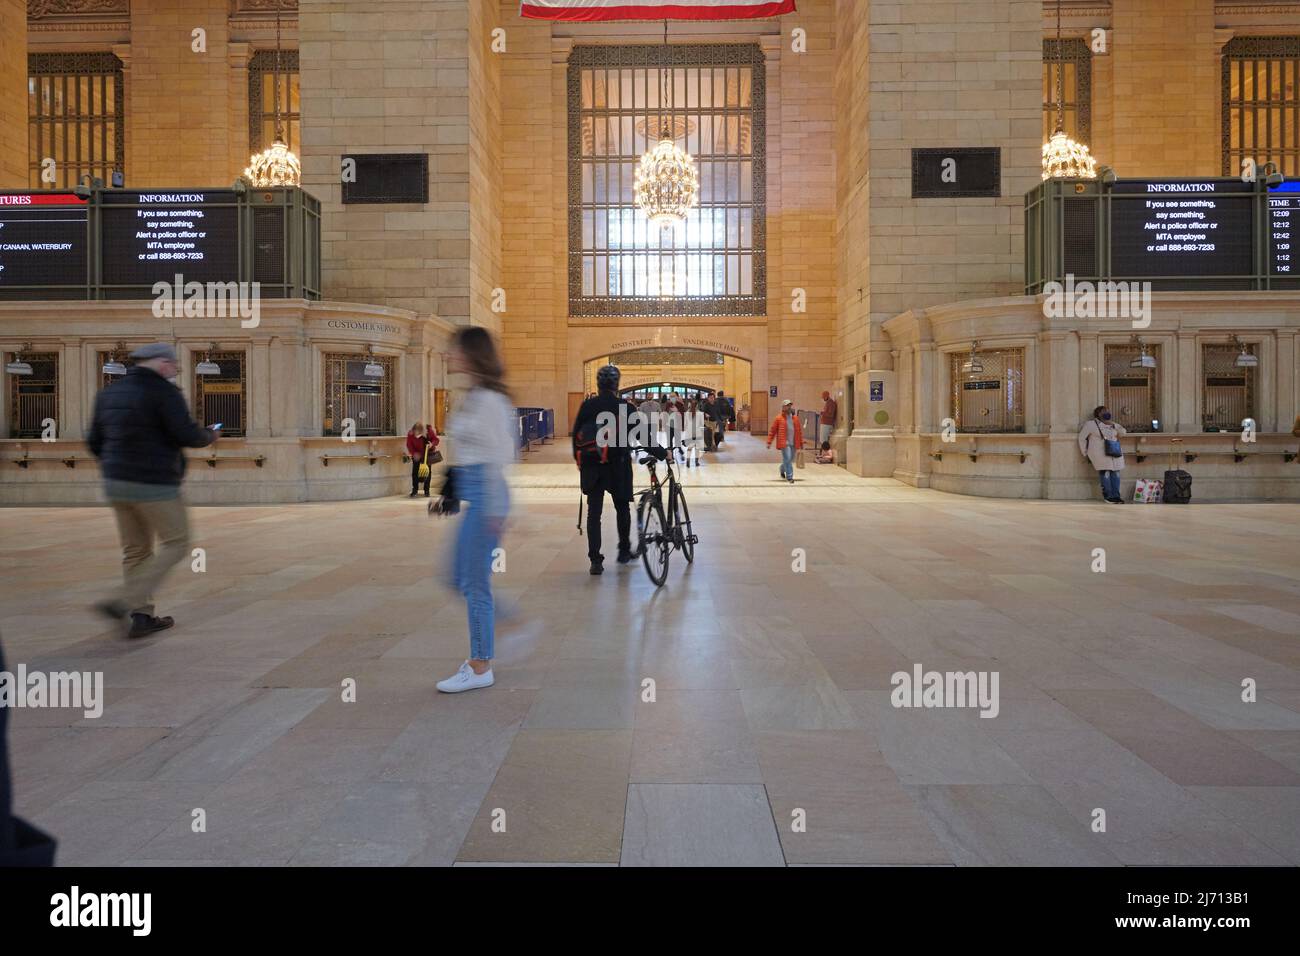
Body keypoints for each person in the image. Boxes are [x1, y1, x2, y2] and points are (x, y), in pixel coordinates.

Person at [88, 342, 220, 640]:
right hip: (154, 483)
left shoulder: (108, 393)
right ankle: (125, 601)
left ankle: (142, 617)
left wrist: (116, 466)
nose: (175, 371)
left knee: (136, 550)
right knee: (177, 541)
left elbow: (94, 441)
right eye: (174, 366)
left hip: (115, 483)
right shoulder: (164, 392)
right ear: (162, 364)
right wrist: (210, 434)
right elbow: (186, 434)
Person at [435, 327, 516, 694]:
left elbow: (500, 455)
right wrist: (454, 484)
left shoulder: (490, 401)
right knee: (455, 577)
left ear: (471, 354)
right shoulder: (474, 395)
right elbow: (469, 449)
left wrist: (495, 511)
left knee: (473, 583)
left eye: (455, 350)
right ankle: (509, 621)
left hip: (487, 495)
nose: (450, 355)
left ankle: (480, 664)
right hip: (475, 490)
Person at [572, 364, 639, 575]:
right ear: (617, 384)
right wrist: (661, 453)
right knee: (622, 509)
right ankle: (624, 550)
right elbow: (642, 435)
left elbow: (576, 438)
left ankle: (595, 560)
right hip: (618, 466)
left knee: (594, 514)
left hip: (593, 467)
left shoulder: (587, 406)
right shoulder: (625, 407)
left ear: (598, 385)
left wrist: (581, 462)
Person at [1078, 404, 1127, 503]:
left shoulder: (1113, 424)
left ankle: (1116, 496)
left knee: (1116, 474)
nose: (1106, 413)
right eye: (1104, 411)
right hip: (1100, 454)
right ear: (1098, 414)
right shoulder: (1090, 424)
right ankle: (1108, 496)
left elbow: (1123, 432)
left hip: (1114, 453)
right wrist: (1085, 452)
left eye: (1107, 411)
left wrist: (1114, 425)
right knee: (1105, 474)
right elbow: (1081, 438)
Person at [767, 398, 804, 483]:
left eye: (790, 405)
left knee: (790, 459)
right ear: (783, 407)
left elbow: (799, 431)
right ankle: (790, 477)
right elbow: (773, 430)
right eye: (787, 406)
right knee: (787, 458)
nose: (789, 407)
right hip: (784, 442)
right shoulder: (779, 418)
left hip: (794, 442)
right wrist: (769, 442)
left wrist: (801, 442)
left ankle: (782, 468)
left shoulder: (795, 418)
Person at [405, 421, 440, 497]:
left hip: (427, 454)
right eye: (415, 433)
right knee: (415, 472)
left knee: (427, 472)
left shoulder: (429, 431)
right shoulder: (410, 434)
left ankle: (426, 490)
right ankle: (415, 490)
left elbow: (436, 440)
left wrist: (432, 444)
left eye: (418, 434)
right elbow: (409, 445)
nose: (416, 435)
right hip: (417, 455)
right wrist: (414, 453)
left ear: (422, 431)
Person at [682, 398, 705, 467]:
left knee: (689, 448)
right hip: (698, 432)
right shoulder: (700, 414)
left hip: (689, 432)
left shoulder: (686, 413)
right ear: (697, 406)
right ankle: (696, 462)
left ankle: (688, 461)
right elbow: (702, 424)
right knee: (697, 448)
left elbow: (685, 425)